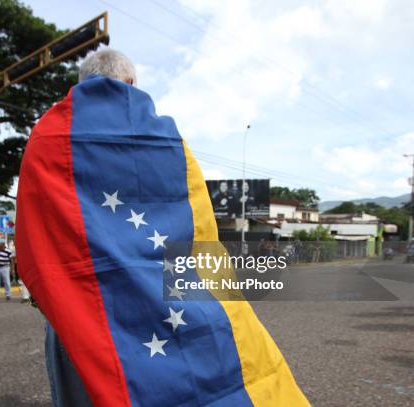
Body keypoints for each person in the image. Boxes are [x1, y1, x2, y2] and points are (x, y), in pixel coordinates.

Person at [16, 49, 308, 406]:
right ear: (130, 83)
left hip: (84, 310)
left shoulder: (48, 139)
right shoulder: (169, 140)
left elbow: (34, 236)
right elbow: (201, 235)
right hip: (170, 299)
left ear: (81, 83)